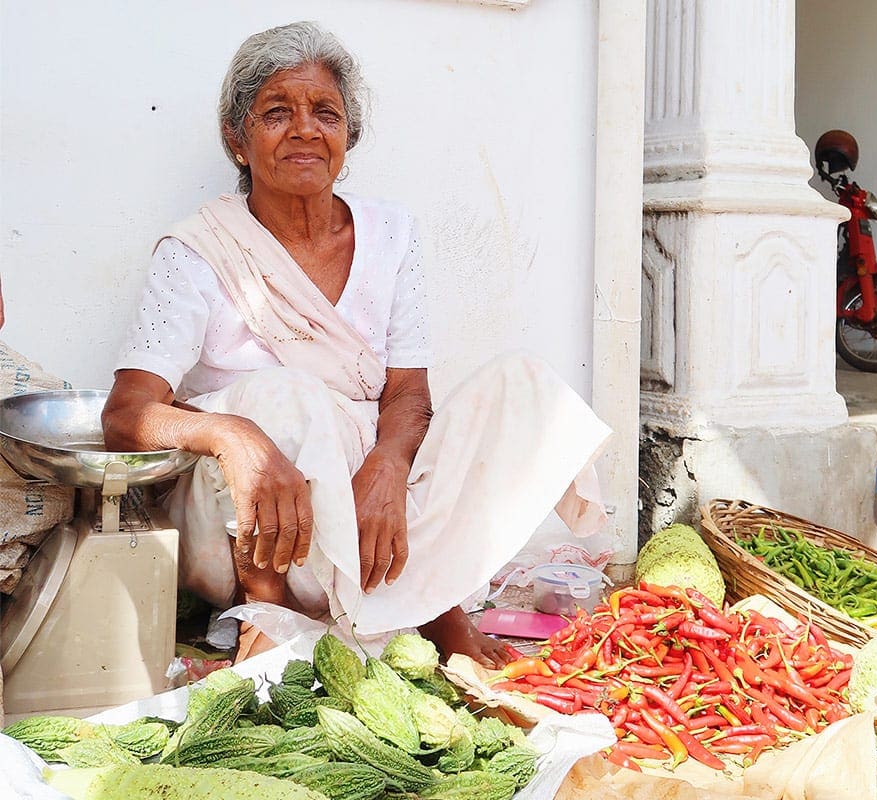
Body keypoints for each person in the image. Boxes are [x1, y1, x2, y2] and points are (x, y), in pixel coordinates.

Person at [102, 22, 612, 666]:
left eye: (325, 113)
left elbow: (408, 395)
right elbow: (124, 415)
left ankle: (419, 607)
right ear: (237, 139)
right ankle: (281, 615)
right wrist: (235, 436)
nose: (305, 130)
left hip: (370, 518)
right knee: (286, 399)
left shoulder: (390, 236)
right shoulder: (197, 251)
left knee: (523, 385)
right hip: (249, 523)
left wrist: (387, 469)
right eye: (276, 113)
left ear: (349, 136)